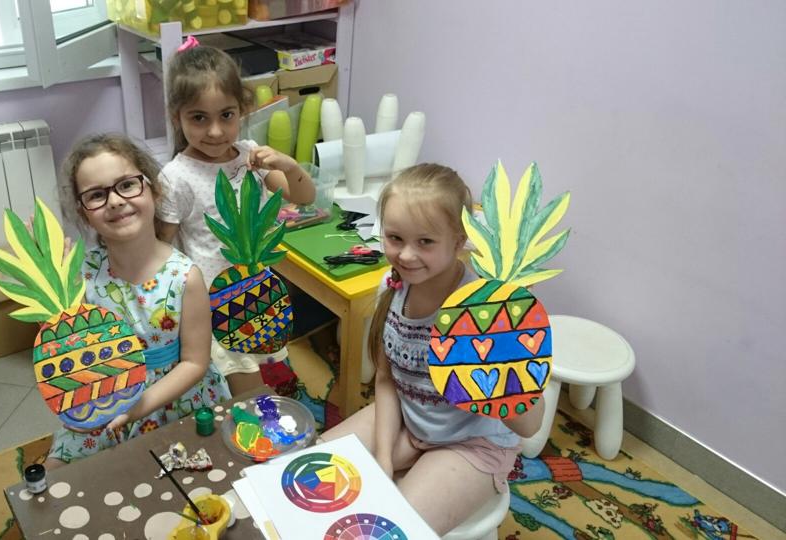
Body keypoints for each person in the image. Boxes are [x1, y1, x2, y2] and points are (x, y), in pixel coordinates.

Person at [320, 164, 545, 535]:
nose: (407, 255)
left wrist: (507, 353)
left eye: (425, 242)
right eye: (395, 238)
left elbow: (530, 425)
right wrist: (384, 456)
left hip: (474, 443)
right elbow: (386, 379)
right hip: (411, 419)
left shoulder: (482, 313)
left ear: (458, 241)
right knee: (310, 474)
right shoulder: (392, 286)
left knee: (389, 530)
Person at [45, 134, 231, 468]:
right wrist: (53, 289)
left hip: (178, 400)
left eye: (127, 185)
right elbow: (66, 348)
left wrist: (136, 408)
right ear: (84, 214)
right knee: (54, 481)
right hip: (106, 397)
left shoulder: (186, 277)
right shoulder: (82, 275)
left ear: (153, 190)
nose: (115, 201)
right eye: (97, 195)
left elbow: (194, 362)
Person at [155, 44, 316, 394]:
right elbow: (161, 249)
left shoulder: (249, 155)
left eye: (226, 115)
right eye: (199, 118)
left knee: (268, 372)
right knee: (246, 392)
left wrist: (288, 164)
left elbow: (304, 197)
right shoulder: (176, 177)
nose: (215, 131)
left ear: (242, 109)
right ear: (177, 117)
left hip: (259, 290)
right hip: (215, 303)